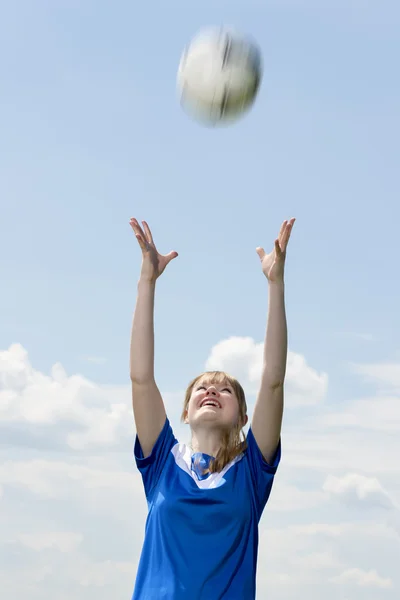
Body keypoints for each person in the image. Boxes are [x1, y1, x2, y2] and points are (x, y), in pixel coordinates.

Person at [129, 216, 295, 600]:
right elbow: (141, 377)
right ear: (185, 411)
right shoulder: (161, 463)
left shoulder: (252, 471)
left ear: (242, 416)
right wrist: (147, 282)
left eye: (225, 390)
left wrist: (275, 284)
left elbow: (273, 381)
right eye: (202, 388)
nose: (211, 391)